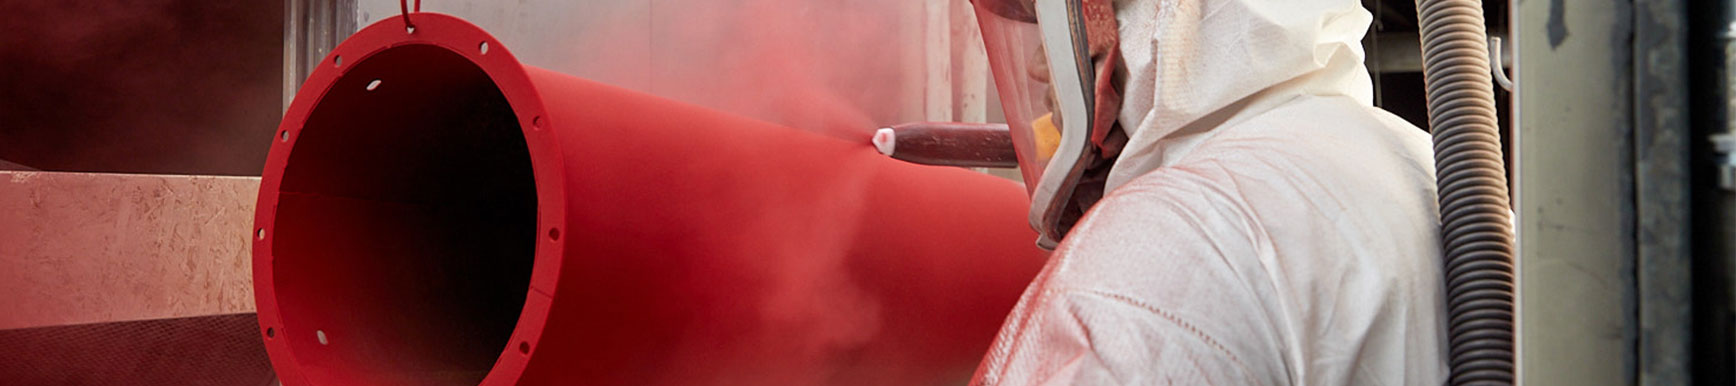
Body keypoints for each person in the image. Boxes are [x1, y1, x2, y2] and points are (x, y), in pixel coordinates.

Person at [968, 0, 1448, 384]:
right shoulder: (1416, 163)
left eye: (1044, 19)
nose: (1035, 67)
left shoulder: (1157, 250)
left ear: (1130, 20)